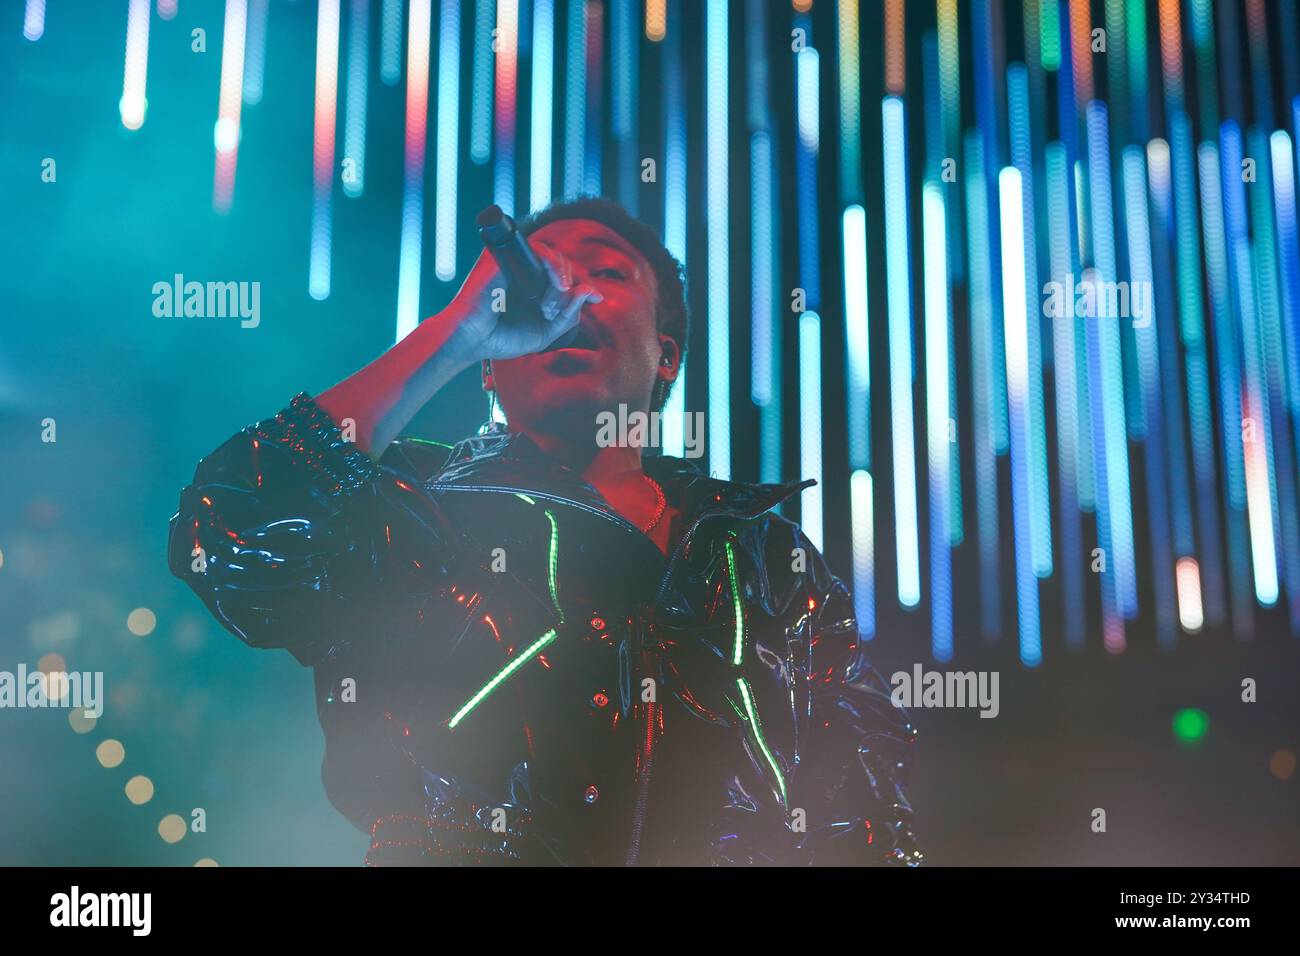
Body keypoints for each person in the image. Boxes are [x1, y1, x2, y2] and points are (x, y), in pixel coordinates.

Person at [167, 196, 922, 866]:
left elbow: (864, 807)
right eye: (547, 274)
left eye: (608, 275)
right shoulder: (417, 501)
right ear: (492, 369)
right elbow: (233, 530)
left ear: (666, 353)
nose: (570, 296)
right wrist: (454, 336)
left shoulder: (766, 555)